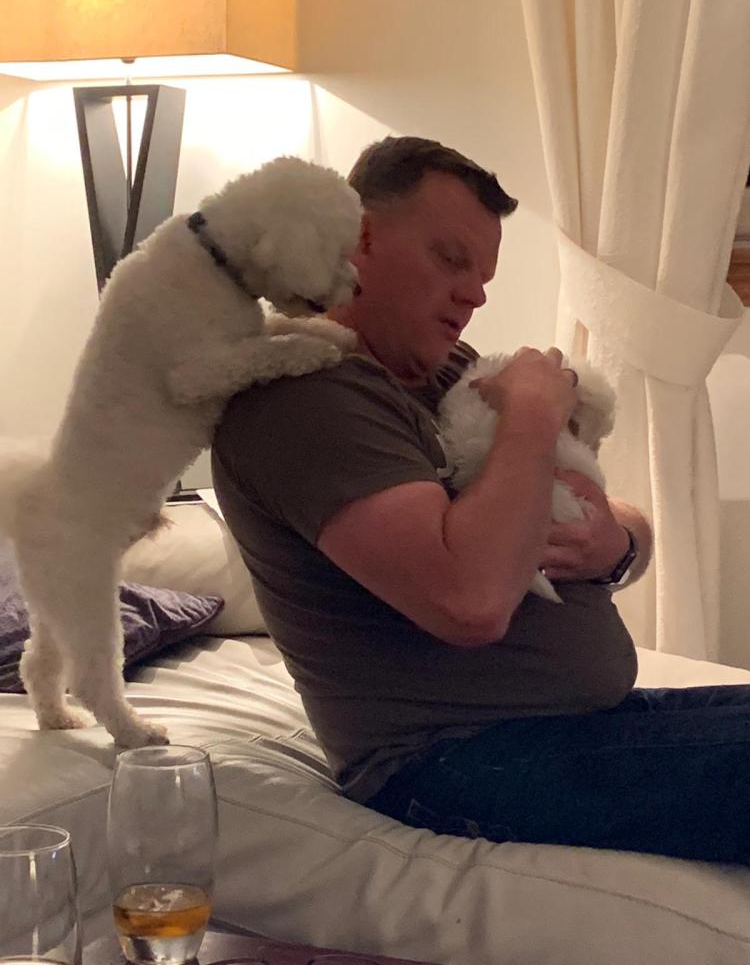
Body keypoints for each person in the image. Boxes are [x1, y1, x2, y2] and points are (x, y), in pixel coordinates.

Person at [212, 136, 750, 866]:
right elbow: (469, 601)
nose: (475, 295)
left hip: (575, 726)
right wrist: (530, 413)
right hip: (451, 759)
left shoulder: (444, 373)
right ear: (358, 238)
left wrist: (614, 544)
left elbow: (612, 515)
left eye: (484, 275)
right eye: (451, 259)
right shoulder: (305, 395)